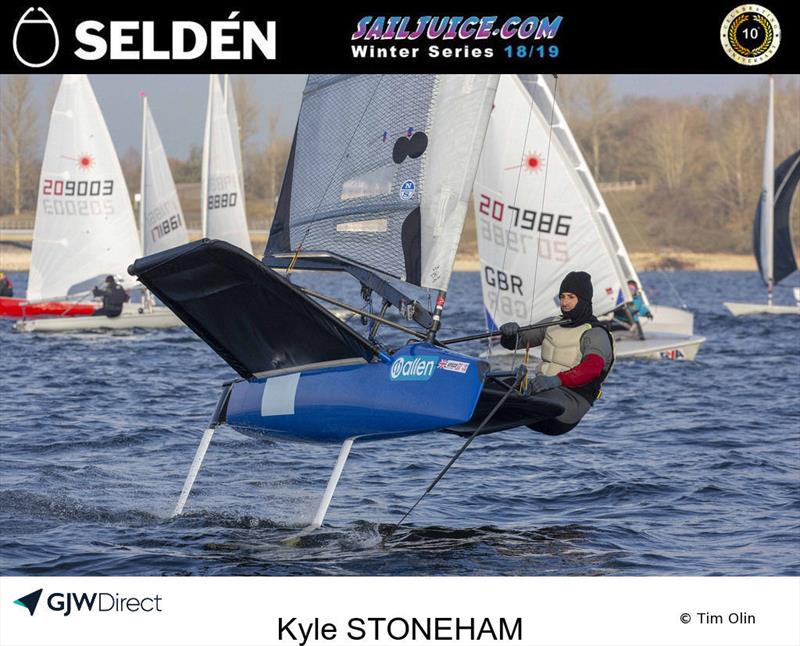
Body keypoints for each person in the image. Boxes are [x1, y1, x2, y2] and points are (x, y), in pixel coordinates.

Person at [498, 271, 615, 437]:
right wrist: (509, 335)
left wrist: (556, 380)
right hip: (539, 393)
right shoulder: (552, 324)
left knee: (515, 397)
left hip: (568, 406)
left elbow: (591, 369)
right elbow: (517, 342)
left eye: (571, 297)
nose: (565, 302)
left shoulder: (595, 333)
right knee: (497, 384)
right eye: (562, 297)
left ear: (583, 299)